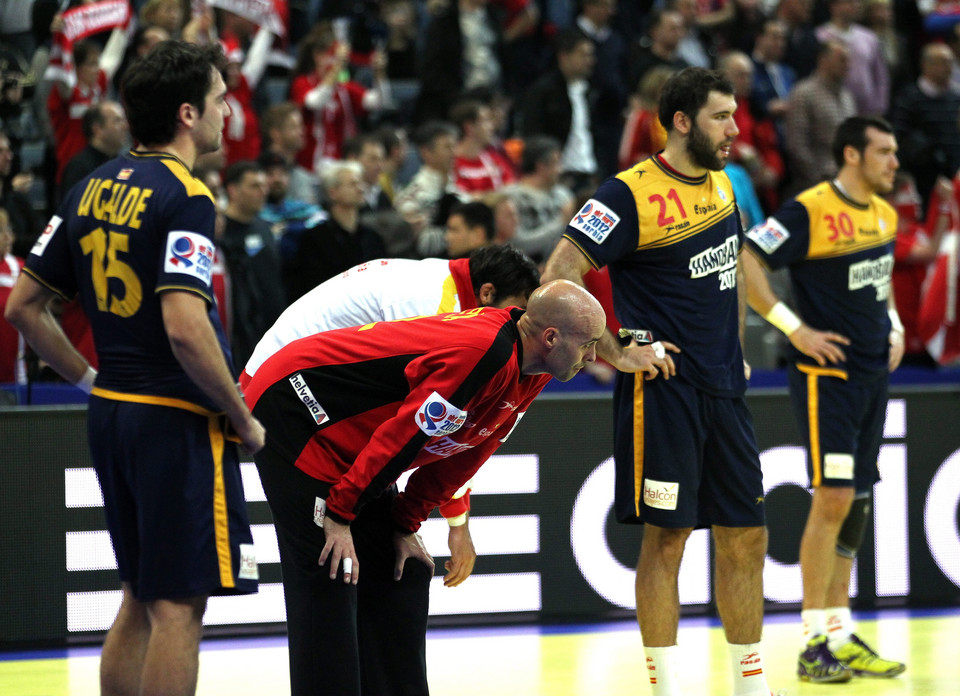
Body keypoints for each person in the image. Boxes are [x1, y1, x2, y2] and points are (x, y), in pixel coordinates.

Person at [4, 41, 265, 696]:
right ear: (186, 113)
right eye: (217, 99)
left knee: (139, 592)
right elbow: (184, 326)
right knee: (178, 606)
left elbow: (25, 308)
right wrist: (241, 414)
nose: (227, 112)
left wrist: (91, 381)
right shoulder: (187, 197)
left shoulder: (90, 185)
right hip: (174, 420)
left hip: (112, 411)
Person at [242, 279, 606, 696]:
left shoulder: (534, 370)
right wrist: (340, 515)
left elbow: (468, 452)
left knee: (405, 573)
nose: (594, 356)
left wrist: (405, 523)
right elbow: (405, 437)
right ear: (551, 337)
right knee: (332, 575)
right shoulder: (484, 354)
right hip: (296, 411)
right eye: (588, 344)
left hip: (355, 442)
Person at [542, 67, 774, 696]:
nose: (734, 129)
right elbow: (556, 278)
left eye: (735, 114)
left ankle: (752, 687)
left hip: (726, 390)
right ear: (680, 121)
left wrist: (739, 347)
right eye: (721, 116)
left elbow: (732, 273)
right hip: (664, 393)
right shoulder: (625, 194)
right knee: (668, 540)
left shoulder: (725, 186)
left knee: (746, 538)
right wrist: (612, 351)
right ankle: (664, 688)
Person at [240, 243, 540, 584]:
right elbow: (426, 424)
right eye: (521, 311)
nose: (524, 324)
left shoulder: (437, 282)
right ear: (487, 293)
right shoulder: (439, 306)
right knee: (333, 562)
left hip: (285, 375)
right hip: (284, 393)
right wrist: (456, 519)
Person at [741, 115, 907, 683]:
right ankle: (813, 643)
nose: (895, 162)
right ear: (852, 155)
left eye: (895, 151)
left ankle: (839, 631)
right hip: (825, 376)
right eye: (884, 152)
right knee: (834, 497)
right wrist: (793, 329)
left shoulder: (884, 214)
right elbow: (747, 260)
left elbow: (876, 283)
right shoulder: (809, 208)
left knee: (857, 498)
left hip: (871, 373)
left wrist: (895, 325)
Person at [284, 160, 386, 300]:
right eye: (352, 184)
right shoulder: (314, 239)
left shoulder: (372, 237)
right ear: (333, 192)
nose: (360, 188)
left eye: (360, 183)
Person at [219, 160, 286, 374]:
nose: (263, 192)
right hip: (239, 338)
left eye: (264, 186)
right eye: (254, 186)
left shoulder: (264, 228)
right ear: (232, 190)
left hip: (272, 332)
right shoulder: (221, 232)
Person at [59, 100, 129, 202]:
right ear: (98, 129)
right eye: (117, 121)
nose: (125, 126)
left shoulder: (126, 163)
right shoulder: (79, 168)